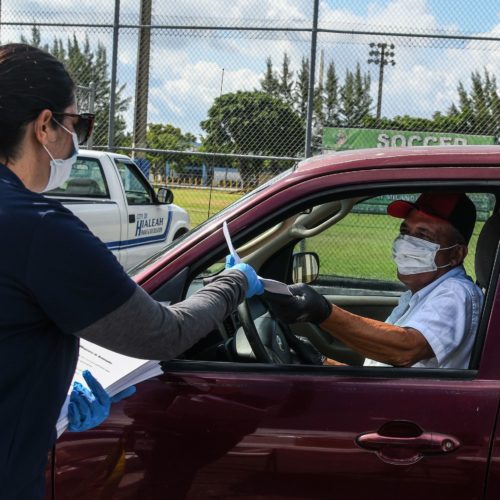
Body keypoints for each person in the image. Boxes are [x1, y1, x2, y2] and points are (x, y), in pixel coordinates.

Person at [0, 43, 264, 500]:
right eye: (77, 123)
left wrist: (45, 398)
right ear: (45, 125)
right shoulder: (37, 227)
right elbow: (162, 334)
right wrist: (234, 282)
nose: (77, 140)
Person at [264, 192, 484, 370]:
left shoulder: (456, 293)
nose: (407, 242)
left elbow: (405, 350)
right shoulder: (417, 295)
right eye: (405, 231)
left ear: (456, 254)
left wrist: (323, 312)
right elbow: (382, 369)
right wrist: (321, 362)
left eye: (423, 236)